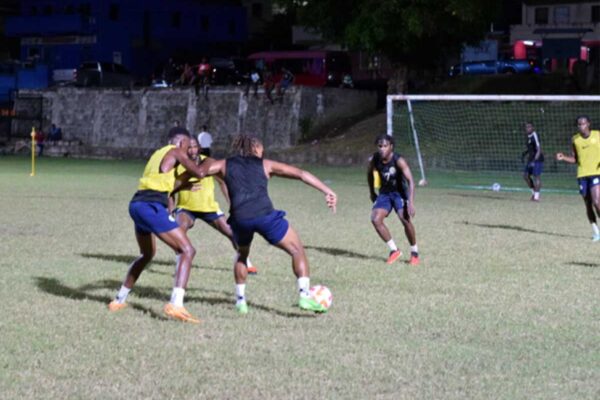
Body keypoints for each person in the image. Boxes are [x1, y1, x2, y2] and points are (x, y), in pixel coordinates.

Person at [198, 134, 337, 314]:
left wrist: (187, 183)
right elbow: (301, 174)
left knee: (242, 254)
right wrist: (328, 191)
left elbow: (199, 172)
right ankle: (304, 296)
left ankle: (241, 302)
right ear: (256, 149)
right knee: (297, 250)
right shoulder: (265, 164)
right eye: (262, 149)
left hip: (239, 219)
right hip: (264, 216)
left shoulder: (224, 164)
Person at [108, 127, 209, 323]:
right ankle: (176, 305)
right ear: (180, 143)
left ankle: (119, 300)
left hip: (137, 204)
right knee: (187, 250)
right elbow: (199, 171)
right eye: (189, 146)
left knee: (147, 254)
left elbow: (163, 176)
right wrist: (209, 164)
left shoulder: (157, 154)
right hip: (151, 206)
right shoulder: (176, 150)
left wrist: (183, 185)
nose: (189, 151)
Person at [170, 136, 258, 274]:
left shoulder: (208, 163)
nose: (192, 150)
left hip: (208, 208)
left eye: (194, 147)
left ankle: (245, 261)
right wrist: (171, 209)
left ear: (199, 147)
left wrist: (232, 203)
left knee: (232, 233)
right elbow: (171, 188)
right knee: (178, 232)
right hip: (186, 208)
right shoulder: (179, 164)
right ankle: (179, 263)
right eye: (189, 147)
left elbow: (222, 182)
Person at [367, 134, 420, 265]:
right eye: (380, 146)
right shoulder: (375, 159)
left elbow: (411, 181)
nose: (382, 149)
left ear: (391, 146)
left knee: (405, 220)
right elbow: (369, 174)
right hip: (384, 194)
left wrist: (411, 202)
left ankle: (414, 253)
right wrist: (372, 192)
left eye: (385, 146)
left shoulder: (399, 160)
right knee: (375, 219)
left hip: (399, 194)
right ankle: (394, 250)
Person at [556, 115, 600, 241]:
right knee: (588, 204)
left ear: (589, 124)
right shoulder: (575, 139)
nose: (581, 126)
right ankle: (596, 232)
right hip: (582, 175)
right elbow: (575, 159)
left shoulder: (598, 135)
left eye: (584, 123)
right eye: (579, 124)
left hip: (596, 173)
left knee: (597, 202)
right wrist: (563, 157)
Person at [521, 122, 544, 202]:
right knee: (525, 176)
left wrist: (534, 161)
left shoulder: (535, 135)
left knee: (536, 177)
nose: (528, 128)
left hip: (537, 159)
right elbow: (531, 147)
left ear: (533, 127)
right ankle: (534, 193)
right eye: (526, 127)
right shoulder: (527, 136)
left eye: (529, 127)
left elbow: (539, 149)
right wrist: (525, 153)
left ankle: (536, 197)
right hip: (530, 159)